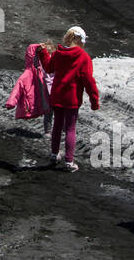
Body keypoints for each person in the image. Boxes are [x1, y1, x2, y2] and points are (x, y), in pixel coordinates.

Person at [35, 27, 100, 170]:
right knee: (70, 129)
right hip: (72, 98)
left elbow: (49, 67)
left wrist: (43, 53)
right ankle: (69, 162)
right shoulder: (84, 57)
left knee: (57, 126)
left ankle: (54, 154)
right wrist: (94, 100)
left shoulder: (59, 53)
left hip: (57, 95)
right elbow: (88, 81)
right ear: (79, 40)